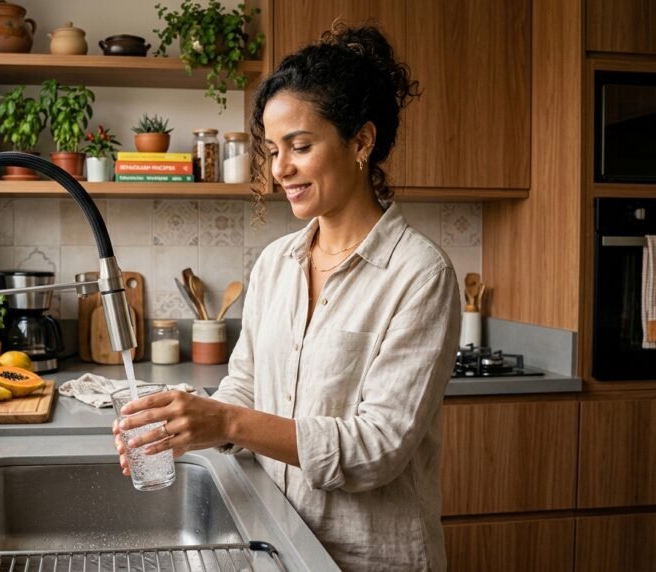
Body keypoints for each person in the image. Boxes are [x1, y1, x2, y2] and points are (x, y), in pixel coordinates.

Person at [113, 23, 461, 572]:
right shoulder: (277, 263)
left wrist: (224, 423)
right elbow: (246, 385)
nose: (280, 169)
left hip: (373, 559)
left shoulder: (419, 275)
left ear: (361, 142)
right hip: (277, 540)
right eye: (273, 150)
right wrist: (182, 428)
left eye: (300, 146)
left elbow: (377, 449)